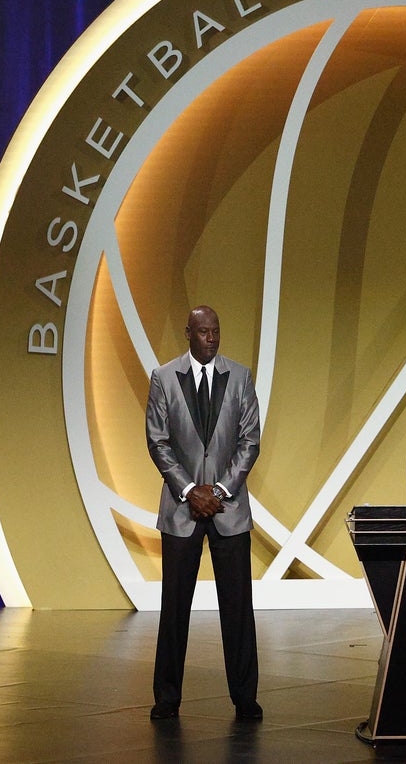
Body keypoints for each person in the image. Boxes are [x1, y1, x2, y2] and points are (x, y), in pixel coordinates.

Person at [145, 305, 263, 722]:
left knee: (238, 605)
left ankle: (245, 697)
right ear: (188, 334)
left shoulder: (241, 376)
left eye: (216, 332)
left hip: (229, 507)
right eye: (203, 332)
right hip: (182, 510)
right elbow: (158, 441)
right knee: (174, 606)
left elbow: (250, 440)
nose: (211, 339)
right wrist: (191, 490)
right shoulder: (163, 378)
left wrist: (222, 489)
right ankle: (167, 697)